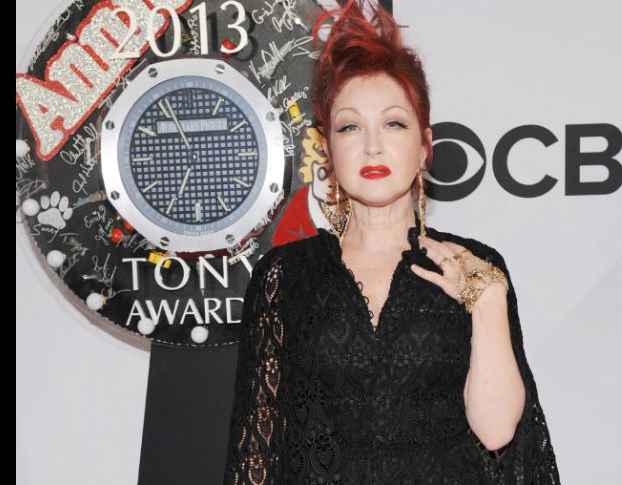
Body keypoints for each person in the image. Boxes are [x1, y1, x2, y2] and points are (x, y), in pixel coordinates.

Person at [223, 1, 561, 483]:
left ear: (424, 147)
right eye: (350, 127)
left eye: (394, 124)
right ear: (329, 149)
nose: (373, 146)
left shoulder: (476, 266)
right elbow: (257, 447)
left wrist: (485, 301)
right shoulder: (286, 274)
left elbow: (497, 432)